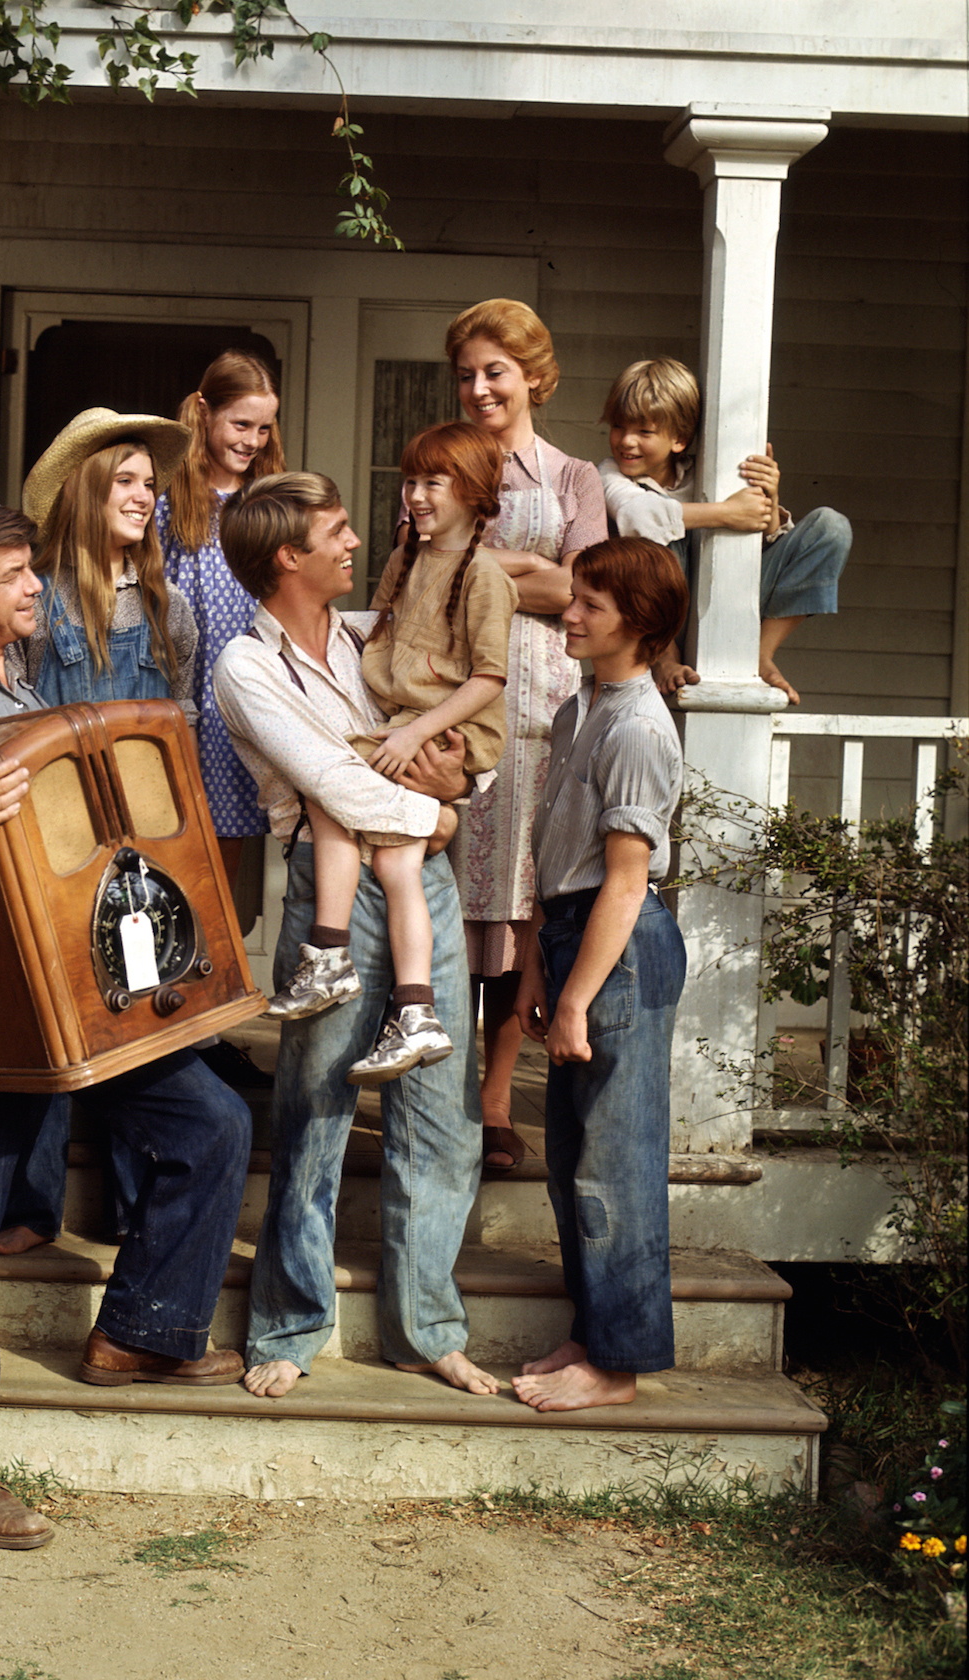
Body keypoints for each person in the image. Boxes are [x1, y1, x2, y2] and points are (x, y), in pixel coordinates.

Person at [0, 499, 250, 1550]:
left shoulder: (22, 685)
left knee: (210, 1123)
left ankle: (143, 1333)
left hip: (75, 982)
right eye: (18, 575)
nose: (36, 589)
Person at [213, 472, 498, 1403]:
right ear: (286, 557)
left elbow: (455, 741)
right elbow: (330, 784)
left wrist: (452, 801)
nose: (353, 544)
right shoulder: (245, 669)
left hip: (423, 882)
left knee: (440, 1109)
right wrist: (436, 815)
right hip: (334, 888)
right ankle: (290, 1323)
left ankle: (427, 1330)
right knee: (316, 1101)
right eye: (334, 534)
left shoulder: (372, 639)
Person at [0, 408, 197, 1253]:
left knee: (141, 1009)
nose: (145, 498)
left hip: (144, 838)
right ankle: (31, 1205)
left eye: (151, 485)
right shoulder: (41, 603)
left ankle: (130, 1204)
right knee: (61, 1009)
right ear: (84, 490)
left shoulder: (166, 605)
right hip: (60, 832)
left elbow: (179, 718)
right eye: (125, 482)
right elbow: (11, 713)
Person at [268, 423, 515, 1088]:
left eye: (434, 482)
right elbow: (378, 633)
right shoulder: (409, 555)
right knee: (397, 858)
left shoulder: (486, 577)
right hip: (403, 721)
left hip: (438, 728)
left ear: (474, 494)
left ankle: (328, 950)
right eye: (412, 481)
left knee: (329, 788)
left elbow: (488, 679)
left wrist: (411, 735)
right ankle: (414, 1010)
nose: (416, 494)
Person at [512, 537, 688, 1412]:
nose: (568, 615)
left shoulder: (635, 726)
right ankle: (591, 1333)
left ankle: (618, 1366)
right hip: (572, 939)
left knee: (614, 1169)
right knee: (572, 1160)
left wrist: (578, 995)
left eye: (590, 606)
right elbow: (558, 854)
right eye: (571, 598)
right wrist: (540, 968)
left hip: (615, 950)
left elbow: (625, 878)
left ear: (640, 625)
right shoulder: (583, 705)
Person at [443, 299, 608, 1176]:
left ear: (533, 377)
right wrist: (526, 573)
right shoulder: (446, 462)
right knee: (444, 904)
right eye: (466, 373)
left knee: (516, 907)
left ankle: (495, 1105)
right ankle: (436, 1100)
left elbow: (583, 587)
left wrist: (480, 570)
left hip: (542, 709)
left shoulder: (574, 477)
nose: (479, 388)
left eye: (494, 371)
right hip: (454, 701)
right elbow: (425, 564)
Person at [156, 350, 286, 1092]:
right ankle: (171, 1026)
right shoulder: (172, 498)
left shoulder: (269, 501)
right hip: (183, 707)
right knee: (175, 869)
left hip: (247, 712)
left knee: (226, 882)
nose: (252, 441)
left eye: (264, 429)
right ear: (204, 410)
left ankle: (203, 1031)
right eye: (241, 424)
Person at [599, 356, 852, 706]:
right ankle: (664, 657)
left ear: (679, 440)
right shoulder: (609, 474)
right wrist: (727, 513)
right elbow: (639, 517)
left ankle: (760, 655)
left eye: (644, 432)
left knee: (831, 527)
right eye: (618, 427)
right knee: (656, 540)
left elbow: (764, 541)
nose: (626, 441)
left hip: (727, 598)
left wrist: (769, 500)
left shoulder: (708, 475)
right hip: (654, 619)